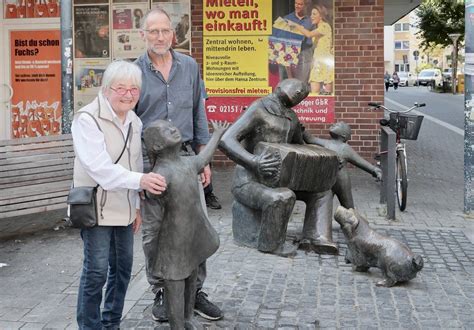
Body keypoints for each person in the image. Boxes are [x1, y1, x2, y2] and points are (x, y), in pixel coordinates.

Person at [134, 8, 223, 323]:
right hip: (152, 164)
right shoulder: (135, 72)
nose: (160, 37)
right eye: (153, 31)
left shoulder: (190, 66)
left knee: (195, 223)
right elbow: (130, 124)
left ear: (174, 34)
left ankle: (195, 290)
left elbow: (199, 110)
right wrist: (137, 175)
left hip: (187, 158)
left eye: (165, 31)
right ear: (143, 34)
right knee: (153, 234)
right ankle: (161, 289)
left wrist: (203, 154)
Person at [72, 60, 167, 330]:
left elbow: (135, 163)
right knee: (96, 272)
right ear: (105, 89)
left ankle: (111, 323)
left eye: (134, 89)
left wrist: (136, 205)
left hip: (124, 209)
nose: (128, 94)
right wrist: (142, 181)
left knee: (122, 271)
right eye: (121, 88)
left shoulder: (134, 120)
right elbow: (100, 169)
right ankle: (90, 327)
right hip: (97, 209)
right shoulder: (87, 119)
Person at [219, 78, 339, 257]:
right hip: (250, 180)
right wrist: (254, 161)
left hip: (281, 177)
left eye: (303, 93)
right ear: (280, 85)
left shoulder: (292, 117)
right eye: (297, 88)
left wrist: (325, 158)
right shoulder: (258, 108)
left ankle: (316, 237)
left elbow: (300, 148)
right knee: (283, 196)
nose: (300, 93)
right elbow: (226, 140)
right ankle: (271, 244)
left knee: (322, 192)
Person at [142, 120, 228, 329]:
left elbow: (204, 158)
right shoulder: (161, 173)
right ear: (157, 146)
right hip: (174, 240)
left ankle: (188, 317)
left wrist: (216, 134)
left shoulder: (187, 162)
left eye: (170, 126)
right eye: (164, 131)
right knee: (175, 283)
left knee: (191, 274)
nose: (172, 128)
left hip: (194, 233)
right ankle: (177, 324)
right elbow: (153, 204)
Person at [303, 122, 382, 209]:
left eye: (337, 125)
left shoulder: (345, 148)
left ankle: (354, 221)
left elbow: (360, 161)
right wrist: (302, 130)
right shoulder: (326, 143)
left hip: (342, 181)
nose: (333, 125)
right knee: (322, 206)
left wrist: (375, 170)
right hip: (326, 180)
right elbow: (310, 139)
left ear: (343, 135)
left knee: (348, 206)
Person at [288, 5, 334, 95]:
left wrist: (296, 25)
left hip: (325, 62)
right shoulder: (319, 28)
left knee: (326, 92)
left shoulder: (325, 26)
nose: (311, 16)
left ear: (321, 16)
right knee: (314, 91)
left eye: (314, 14)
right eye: (311, 14)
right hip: (318, 61)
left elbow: (308, 34)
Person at [274, 0, 313, 82]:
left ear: (306, 6)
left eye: (300, 4)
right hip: (289, 53)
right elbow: (280, 38)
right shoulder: (287, 18)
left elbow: (308, 36)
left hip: (305, 53)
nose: (297, 6)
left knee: (301, 82)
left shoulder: (311, 20)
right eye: (296, 3)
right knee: (287, 82)